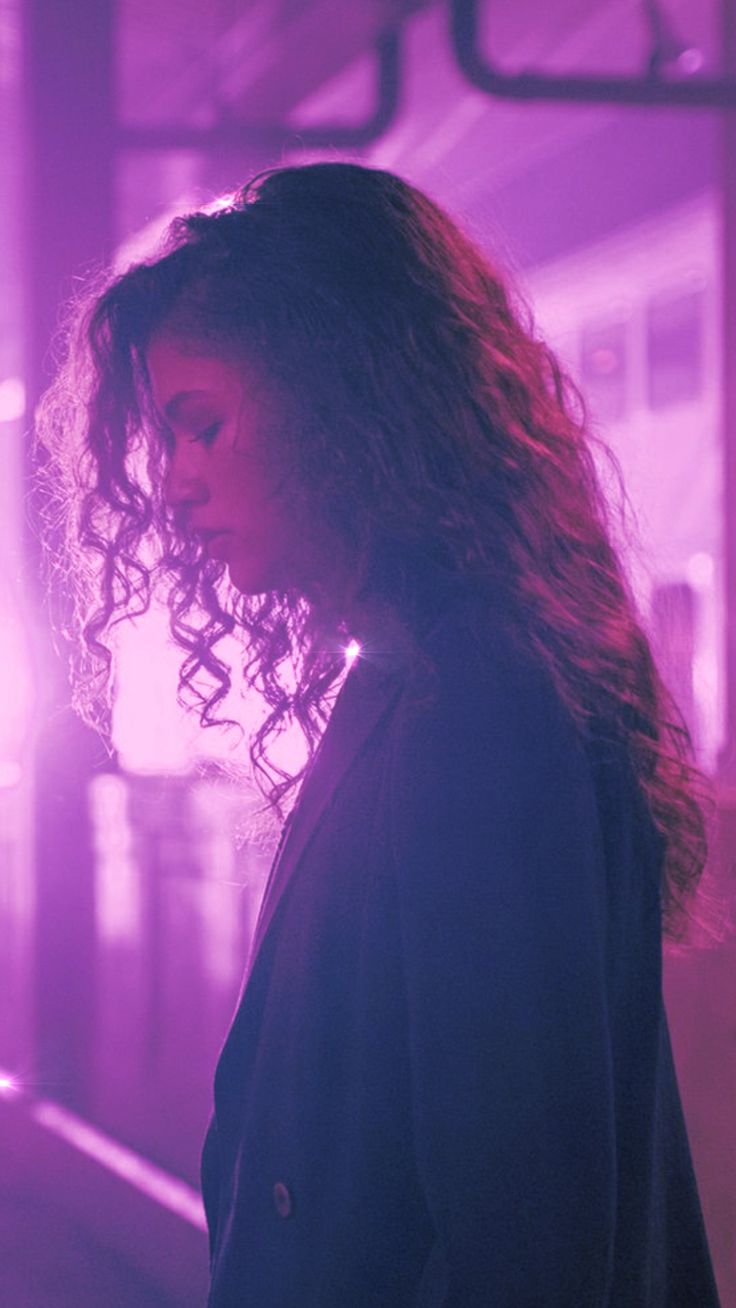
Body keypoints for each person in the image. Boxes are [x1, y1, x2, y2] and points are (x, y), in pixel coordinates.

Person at [36, 162, 722, 1306]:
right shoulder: (436, 678)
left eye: (200, 426)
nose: (176, 485)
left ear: (341, 401)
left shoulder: (479, 710)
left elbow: (523, 1236)